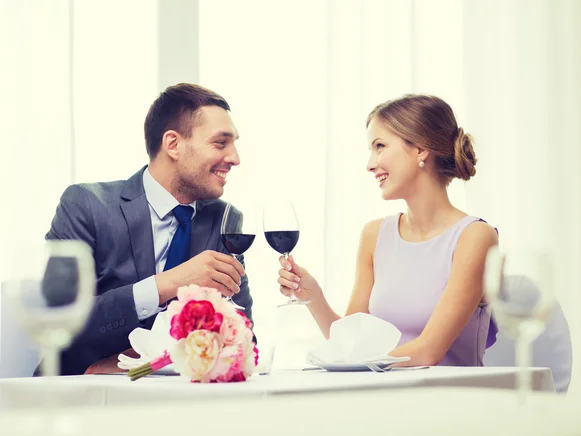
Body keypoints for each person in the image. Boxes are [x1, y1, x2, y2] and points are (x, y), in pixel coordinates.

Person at [45, 83, 253, 375]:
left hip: (173, 402)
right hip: (75, 395)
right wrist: (165, 285)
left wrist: (143, 367)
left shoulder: (224, 221)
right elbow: (57, 321)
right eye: (221, 143)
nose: (235, 158)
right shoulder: (85, 206)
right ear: (173, 145)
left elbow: (242, 338)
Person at [277, 94, 498, 367]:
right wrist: (313, 297)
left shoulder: (475, 237)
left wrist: (350, 362)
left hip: (450, 400)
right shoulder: (375, 236)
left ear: (421, 149)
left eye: (380, 146)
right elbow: (350, 342)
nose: (370, 164)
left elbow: (430, 351)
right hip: (386, 397)